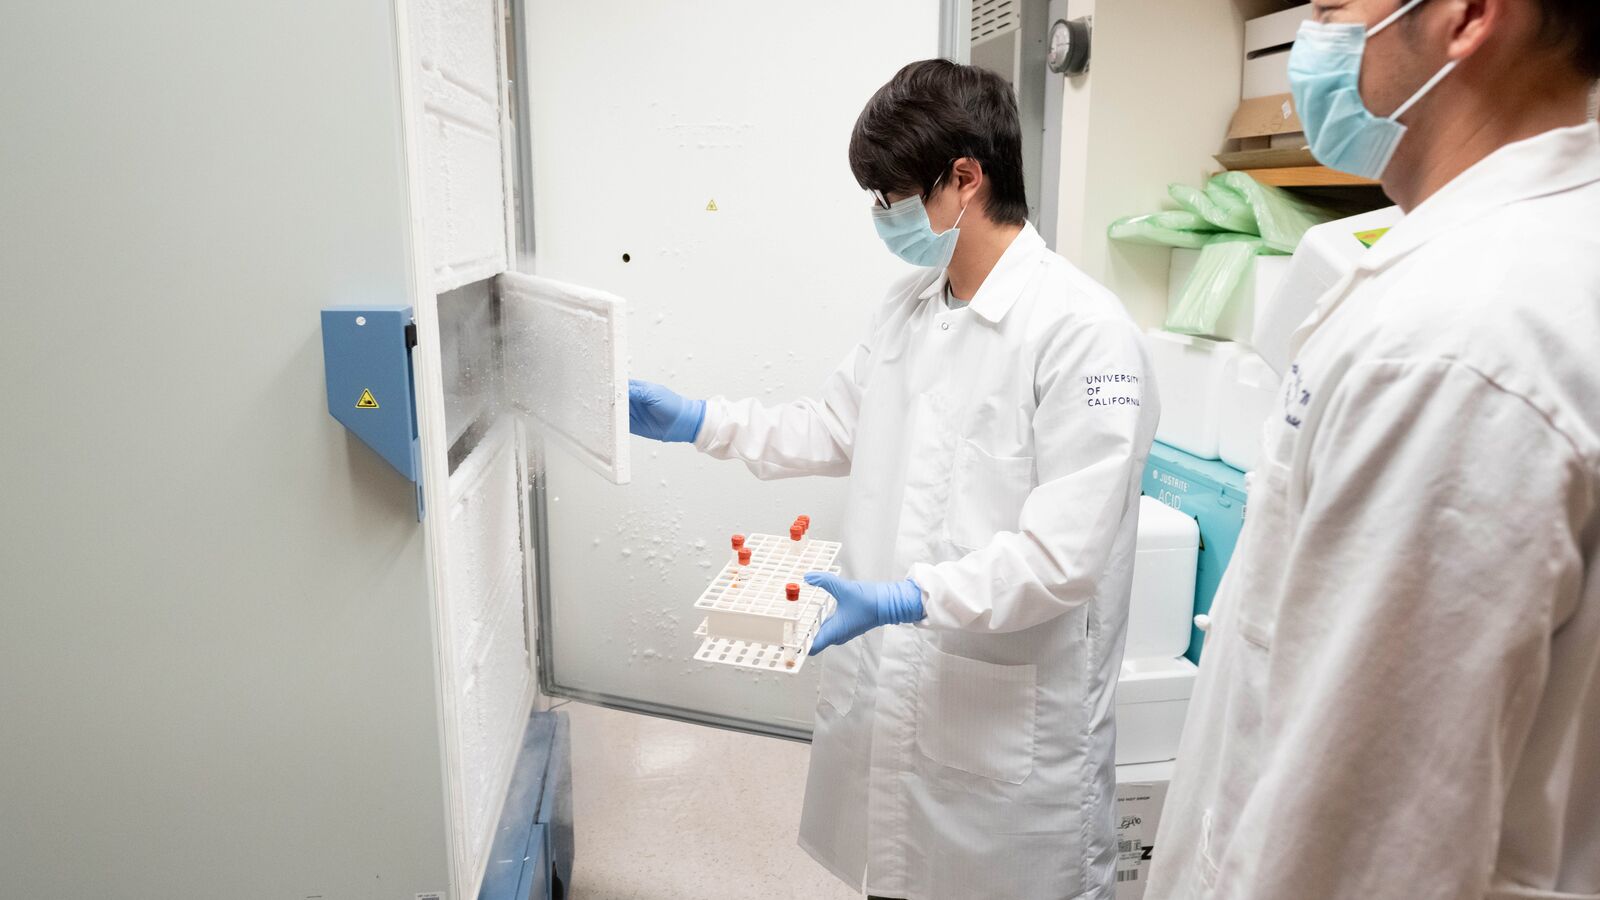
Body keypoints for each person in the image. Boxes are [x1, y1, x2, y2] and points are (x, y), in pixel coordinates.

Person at [629, 59, 1158, 900]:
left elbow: (1064, 560)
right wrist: (700, 420)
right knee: (897, 871)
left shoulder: (1083, 334)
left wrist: (905, 599)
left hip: (1006, 735)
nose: (882, 216)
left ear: (965, 180)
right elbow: (835, 425)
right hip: (905, 700)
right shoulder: (910, 308)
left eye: (891, 196)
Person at [1145, 1, 1600, 898]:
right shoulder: (1505, 265)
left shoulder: (1454, 343)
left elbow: (1358, 844)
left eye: (1330, 10)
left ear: (1467, 17)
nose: (1311, 46)